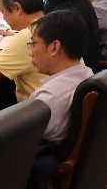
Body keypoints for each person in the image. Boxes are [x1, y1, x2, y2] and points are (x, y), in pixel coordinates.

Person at [28, 10, 95, 145]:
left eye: (33, 44)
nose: (30, 52)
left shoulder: (49, 98)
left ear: (54, 47)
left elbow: (20, 141)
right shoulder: (88, 74)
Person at [38, 0, 101, 70]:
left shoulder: (63, 13)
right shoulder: (82, 4)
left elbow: (39, 35)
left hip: (73, 73)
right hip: (87, 70)